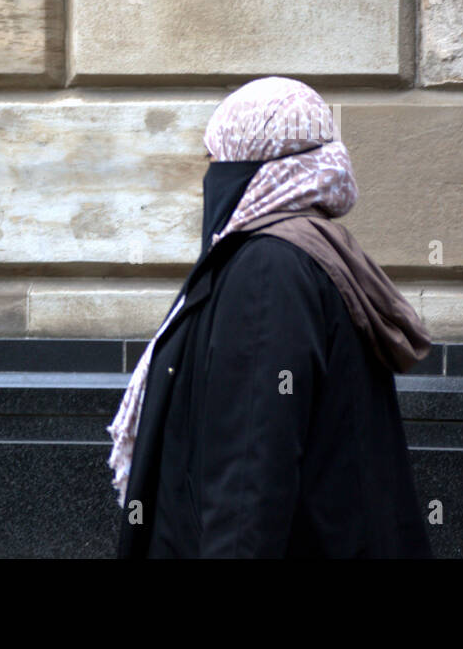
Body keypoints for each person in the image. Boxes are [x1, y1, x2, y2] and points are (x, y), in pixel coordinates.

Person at [108, 76, 434, 558]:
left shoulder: (269, 268)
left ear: (251, 162)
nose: (210, 174)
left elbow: (250, 473)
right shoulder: (309, 250)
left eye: (217, 158)